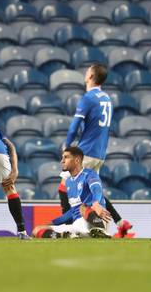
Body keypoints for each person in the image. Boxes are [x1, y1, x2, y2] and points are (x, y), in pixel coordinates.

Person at [59, 63, 132, 239]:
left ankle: (70, 227)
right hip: (99, 152)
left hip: (86, 151)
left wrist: (67, 147)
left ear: (91, 76)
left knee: (64, 188)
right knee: (92, 191)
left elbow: (74, 127)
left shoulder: (88, 98)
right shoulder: (106, 98)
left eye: (87, 71)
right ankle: (120, 222)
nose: (85, 74)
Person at [33, 147, 112, 239]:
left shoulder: (89, 174)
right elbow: (72, 211)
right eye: (62, 157)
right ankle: (66, 236)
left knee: (82, 207)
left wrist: (95, 203)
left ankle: (99, 230)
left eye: (66, 157)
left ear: (77, 160)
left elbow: (96, 188)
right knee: (37, 229)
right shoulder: (68, 182)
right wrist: (52, 223)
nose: (62, 161)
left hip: (96, 218)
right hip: (78, 225)